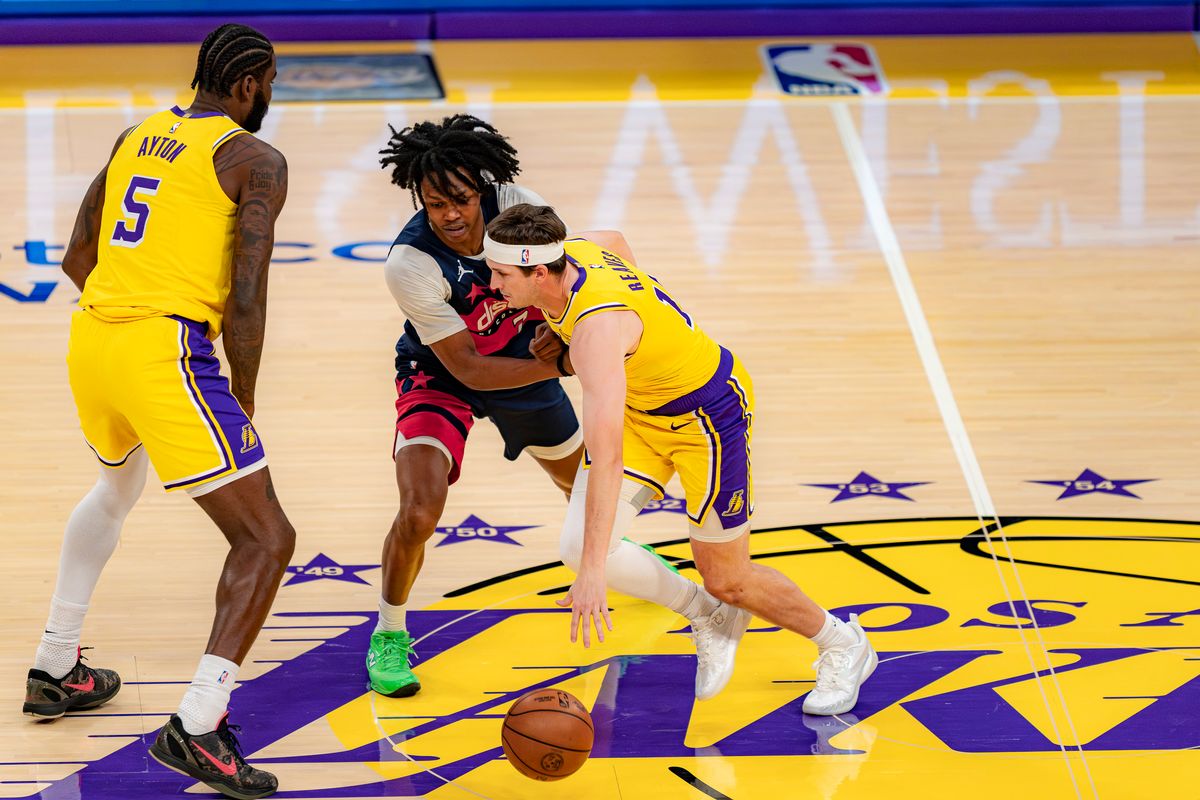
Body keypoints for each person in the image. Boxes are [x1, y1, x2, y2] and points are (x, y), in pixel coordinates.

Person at [23, 23, 293, 799]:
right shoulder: (254, 158)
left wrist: (125, 323)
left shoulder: (135, 133)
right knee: (267, 536)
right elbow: (246, 298)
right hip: (160, 352)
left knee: (115, 488)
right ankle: (199, 726)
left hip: (93, 340)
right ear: (249, 83)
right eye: (270, 82)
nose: (270, 96)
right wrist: (239, 395)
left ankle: (55, 666)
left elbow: (80, 256)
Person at [482, 204, 878, 714]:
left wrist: (594, 577)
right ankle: (705, 613)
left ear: (539, 272)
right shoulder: (580, 249)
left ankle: (843, 642)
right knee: (581, 547)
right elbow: (618, 239)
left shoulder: (596, 333)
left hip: (708, 418)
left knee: (729, 579)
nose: (494, 285)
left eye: (501, 274)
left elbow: (606, 457)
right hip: (644, 407)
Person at [369, 116, 705, 699]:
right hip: (443, 374)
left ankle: (622, 565)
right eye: (434, 203)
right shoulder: (411, 263)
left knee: (591, 493)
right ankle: (389, 632)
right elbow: (469, 367)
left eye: (461, 198)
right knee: (420, 510)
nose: (449, 214)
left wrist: (568, 334)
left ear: (483, 186)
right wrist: (562, 362)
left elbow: (562, 280)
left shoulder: (519, 206)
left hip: (522, 364)